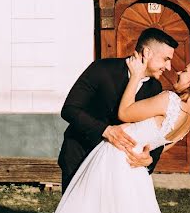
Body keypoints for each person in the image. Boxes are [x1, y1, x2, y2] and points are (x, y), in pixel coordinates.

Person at [52, 55, 190, 213]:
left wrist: (135, 75)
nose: (177, 73)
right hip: (135, 169)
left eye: (185, 71)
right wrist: (147, 157)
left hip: (115, 159)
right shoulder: (189, 120)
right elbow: (159, 146)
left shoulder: (169, 100)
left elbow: (124, 113)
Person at [57, 28, 178, 193]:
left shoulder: (155, 88)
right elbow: (70, 109)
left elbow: (153, 129)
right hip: (80, 154)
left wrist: (150, 158)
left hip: (118, 168)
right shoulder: (102, 69)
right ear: (147, 52)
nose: (169, 67)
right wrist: (105, 130)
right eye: (166, 59)